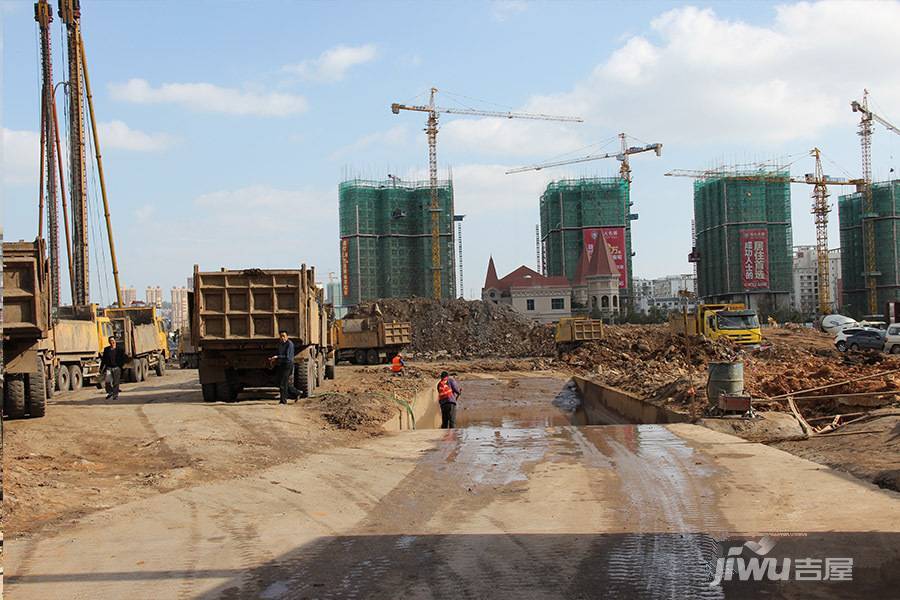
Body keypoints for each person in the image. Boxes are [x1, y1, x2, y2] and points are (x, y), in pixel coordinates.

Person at [271, 330, 302, 404]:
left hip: (288, 365)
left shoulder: (289, 344)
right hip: (282, 364)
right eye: (281, 336)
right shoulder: (281, 344)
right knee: (282, 382)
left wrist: (277, 357)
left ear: (287, 337)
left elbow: (288, 357)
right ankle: (297, 392)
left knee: (282, 383)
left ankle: (283, 401)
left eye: (283, 336)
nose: (282, 338)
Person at [100, 336, 125, 400]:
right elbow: (104, 360)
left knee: (116, 382)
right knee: (107, 381)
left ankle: (115, 395)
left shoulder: (120, 349)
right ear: (109, 342)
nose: (112, 342)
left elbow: (123, 358)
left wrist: (121, 366)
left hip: (117, 368)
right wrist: (101, 368)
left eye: (113, 340)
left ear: (115, 341)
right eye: (111, 341)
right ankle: (110, 392)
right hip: (109, 368)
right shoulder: (106, 349)